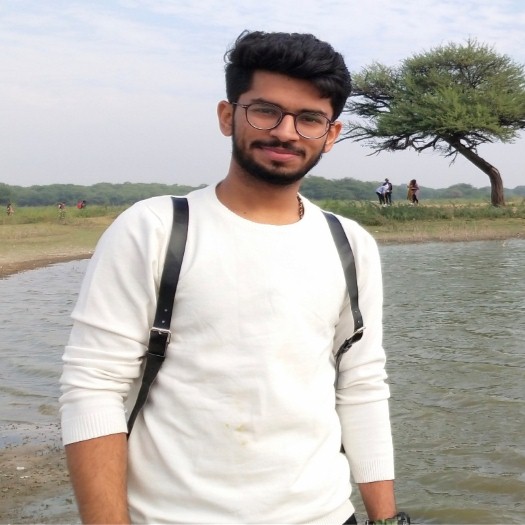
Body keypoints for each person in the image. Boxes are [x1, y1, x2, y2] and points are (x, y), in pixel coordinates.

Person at [60, 30, 405, 525]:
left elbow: (362, 385)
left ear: (331, 134)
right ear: (228, 116)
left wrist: (385, 520)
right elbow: (93, 388)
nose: (286, 132)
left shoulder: (349, 243)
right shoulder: (156, 228)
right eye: (266, 111)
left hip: (326, 514)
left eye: (309, 118)